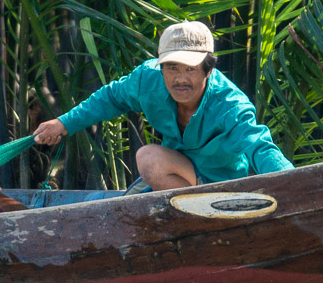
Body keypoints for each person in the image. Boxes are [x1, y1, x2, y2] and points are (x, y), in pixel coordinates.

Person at [32, 20, 291, 189]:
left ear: (208, 70)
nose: (180, 79)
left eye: (190, 69)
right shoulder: (148, 79)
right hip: (176, 178)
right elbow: (111, 97)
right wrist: (64, 123)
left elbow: (260, 147)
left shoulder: (230, 105)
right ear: (161, 66)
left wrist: (294, 182)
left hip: (222, 186)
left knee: (148, 158)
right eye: (172, 67)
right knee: (128, 203)